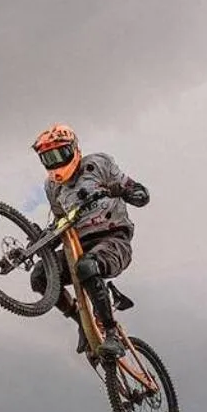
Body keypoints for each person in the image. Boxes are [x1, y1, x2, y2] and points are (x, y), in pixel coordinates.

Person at [29, 124, 149, 359]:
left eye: (59, 154)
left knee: (87, 266)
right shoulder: (52, 186)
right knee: (41, 276)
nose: (55, 161)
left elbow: (137, 190)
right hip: (77, 244)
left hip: (114, 239)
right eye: (48, 157)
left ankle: (112, 334)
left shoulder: (98, 164)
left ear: (73, 149)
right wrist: (40, 242)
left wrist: (129, 193)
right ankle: (81, 322)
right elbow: (61, 223)